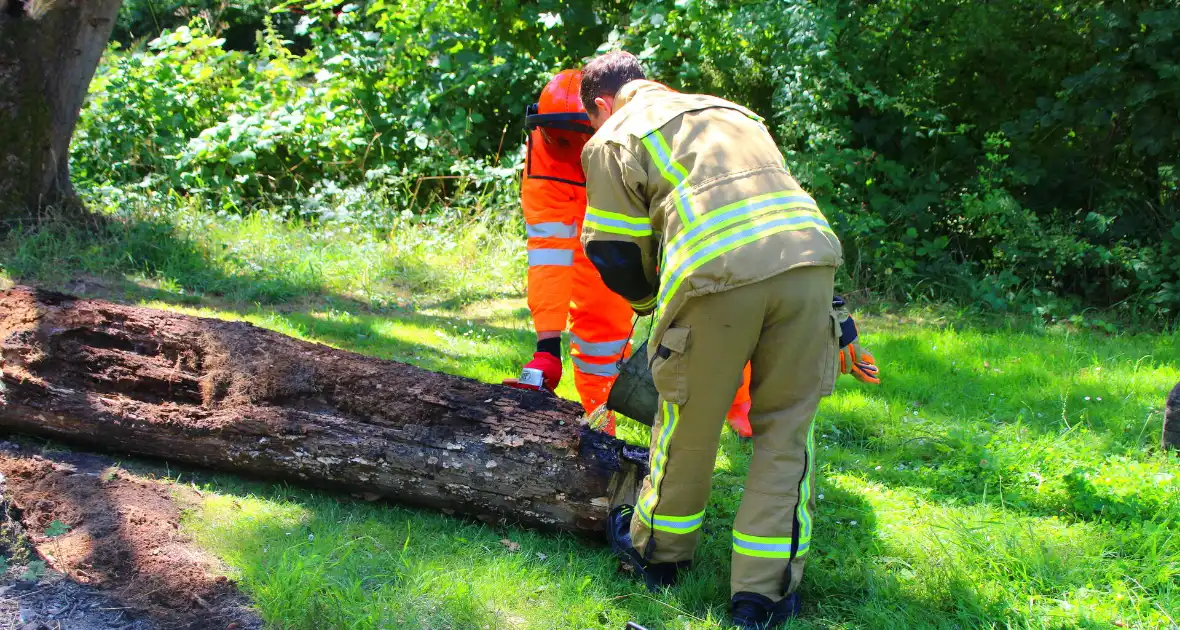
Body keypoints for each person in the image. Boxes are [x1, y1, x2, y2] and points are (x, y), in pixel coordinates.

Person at [577, 51, 844, 628]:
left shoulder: (614, 135)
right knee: (787, 431)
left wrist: (650, 306)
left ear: (601, 105)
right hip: (811, 264)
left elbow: (613, 251)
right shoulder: (734, 112)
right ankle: (763, 594)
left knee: (687, 421)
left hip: (715, 276)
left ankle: (658, 555)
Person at [502, 69, 759, 437]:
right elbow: (550, 250)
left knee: (712, 307)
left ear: (602, 115)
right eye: (561, 141)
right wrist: (547, 346)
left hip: (672, 214)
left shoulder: (658, 114)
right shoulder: (546, 153)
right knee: (596, 326)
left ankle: (741, 403)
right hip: (598, 228)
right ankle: (599, 419)